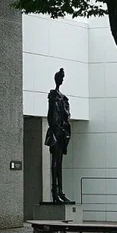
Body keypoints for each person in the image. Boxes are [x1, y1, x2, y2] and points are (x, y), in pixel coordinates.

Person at [45, 68, 73, 204]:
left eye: (62, 78)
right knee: (55, 162)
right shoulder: (53, 96)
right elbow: (51, 116)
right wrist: (55, 127)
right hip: (56, 132)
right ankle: (55, 192)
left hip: (62, 132)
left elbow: (67, 115)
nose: (61, 80)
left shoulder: (63, 98)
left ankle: (60, 192)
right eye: (60, 78)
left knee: (59, 162)